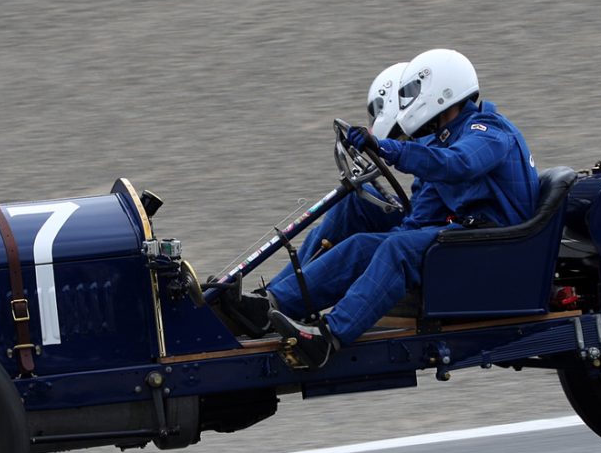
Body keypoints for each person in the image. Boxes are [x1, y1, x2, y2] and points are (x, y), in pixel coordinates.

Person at [251, 48, 540, 366]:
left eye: (415, 92)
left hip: (499, 247)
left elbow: (459, 164)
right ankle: (269, 306)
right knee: (365, 245)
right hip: (472, 240)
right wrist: (388, 238)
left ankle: (328, 338)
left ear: (442, 89)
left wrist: (389, 148)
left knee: (398, 248)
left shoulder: (489, 130)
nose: (409, 104)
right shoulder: (448, 138)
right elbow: (423, 214)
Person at [226, 62, 415, 334]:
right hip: (432, 224)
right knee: (356, 201)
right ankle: (269, 298)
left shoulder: (457, 141)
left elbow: (436, 203)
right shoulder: (432, 135)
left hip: (442, 239)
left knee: (364, 247)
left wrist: (391, 150)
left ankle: (277, 304)